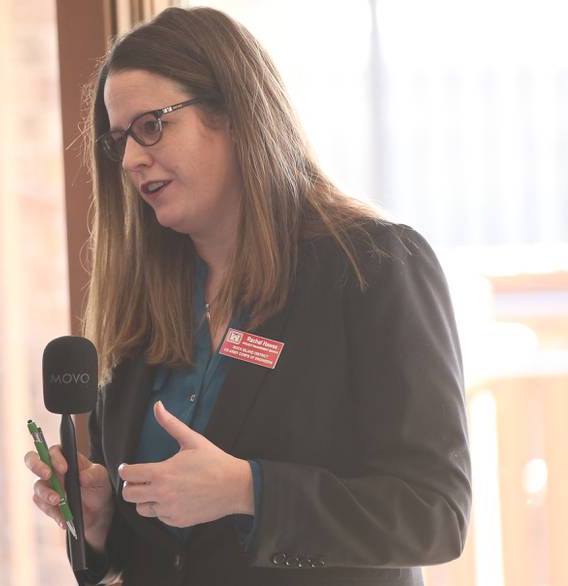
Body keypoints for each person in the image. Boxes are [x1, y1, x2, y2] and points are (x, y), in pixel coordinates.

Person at [24, 6, 471, 585]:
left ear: (233, 113)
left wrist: (248, 490)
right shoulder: (145, 302)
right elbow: (169, 553)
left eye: (152, 126)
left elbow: (434, 514)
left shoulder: (374, 268)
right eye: (119, 141)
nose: (132, 158)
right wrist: (104, 520)